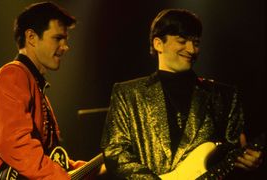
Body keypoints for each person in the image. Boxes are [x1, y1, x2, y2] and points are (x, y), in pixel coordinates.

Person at [100, 8, 264, 179]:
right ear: (158, 44)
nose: (192, 49)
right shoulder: (127, 93)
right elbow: (115, 152)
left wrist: (250, 162)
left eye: (196, 42)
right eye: (182, 41)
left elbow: (233, 154)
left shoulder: (224, 95)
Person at [0, 2, 87, 179]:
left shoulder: (31, 82)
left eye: (65, 39)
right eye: (58, 38)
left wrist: (91, 168)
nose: (65, 47)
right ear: (31, 37)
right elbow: (17, 146)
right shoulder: (12, 76)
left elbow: (49, 157)